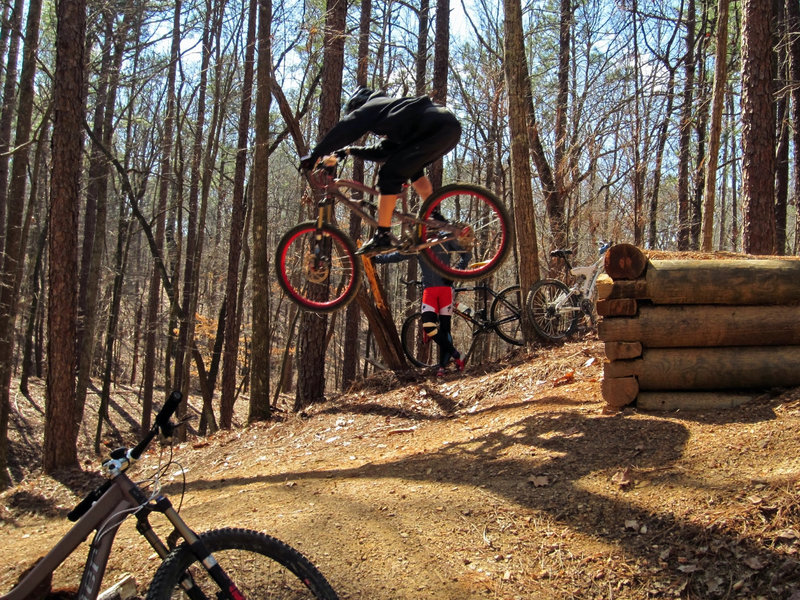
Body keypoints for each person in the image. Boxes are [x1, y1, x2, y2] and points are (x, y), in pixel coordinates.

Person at [299, 86, 462, 255]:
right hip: (447, 128)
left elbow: (347, 127)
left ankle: (383, 235)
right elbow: (384, 151)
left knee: (388, 175)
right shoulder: (393, 113)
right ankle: (434, 216)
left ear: (359, 104)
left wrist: (316, 154)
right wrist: (348, 151)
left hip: (434, 128)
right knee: (412, 169)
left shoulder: (373, 106)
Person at [374, 214, 469, 377]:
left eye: (432, 222)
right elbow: (398, 256)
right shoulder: (420, 242)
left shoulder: (445, 238)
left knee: (445, 329)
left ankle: (443, 366)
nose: (428, 225)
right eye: (426, 222)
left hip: (446, 289)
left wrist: (455, 273)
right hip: (429, 291)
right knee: (428, 326)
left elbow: (466, 255)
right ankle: (456, 354)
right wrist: (376, 259)